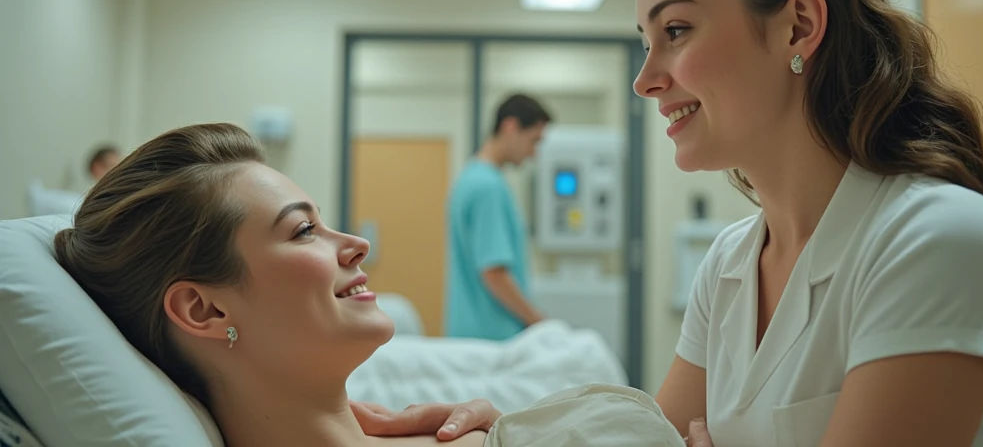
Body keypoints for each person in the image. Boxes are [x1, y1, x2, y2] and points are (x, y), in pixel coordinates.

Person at [356, 0, 983, 447]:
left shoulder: (934, 240)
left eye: (675, 31)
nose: (644, 80)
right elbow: (654, 438)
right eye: (646, 41)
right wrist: (514, 430)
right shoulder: (732, 266)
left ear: (799, 25)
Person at [54, 122, 686, 447]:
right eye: (303, 231)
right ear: (204, 308)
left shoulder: (475, 425)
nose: (354, 244)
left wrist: (513, 430)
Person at [444, 94, 552, 341]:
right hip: (491, 339)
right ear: (510, 126)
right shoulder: (487, 187)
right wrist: (540, 324)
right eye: (533, 141)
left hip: (471, 334)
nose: (533, 153)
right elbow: (494, 273)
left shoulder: (470, 178)